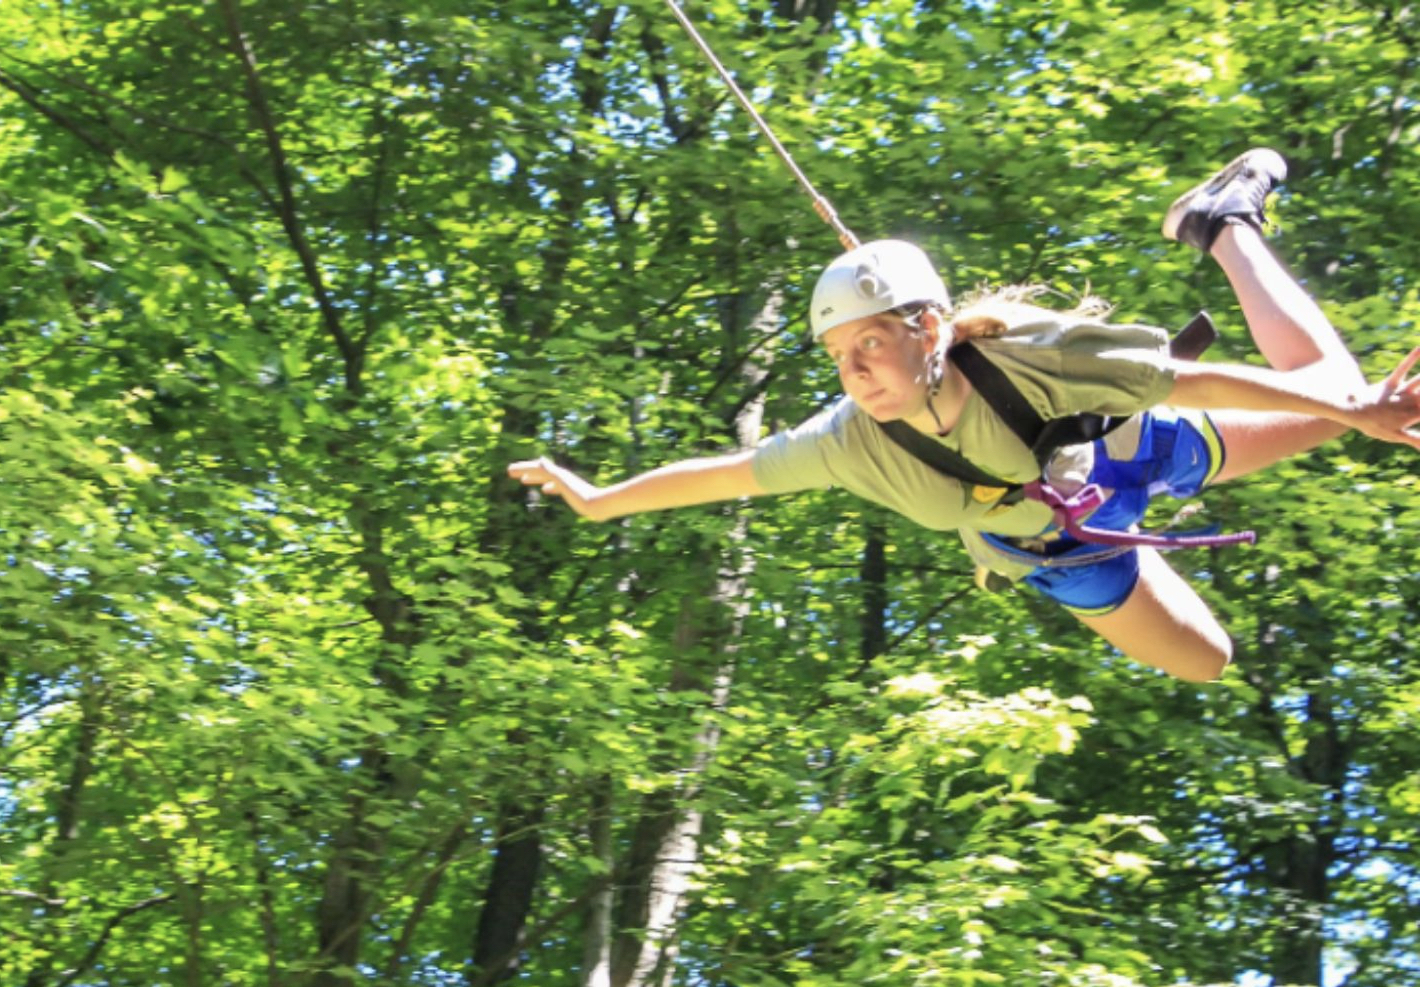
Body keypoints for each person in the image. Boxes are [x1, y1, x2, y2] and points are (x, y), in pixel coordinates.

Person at [507, 149, 1420, 682]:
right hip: (1064, 550)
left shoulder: (1029, 352)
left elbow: (1198, 381)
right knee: (1209, 660)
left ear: (928, 328)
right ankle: (1264, 286)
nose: (855, 370)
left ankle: (1223, 224)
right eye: (837, 357)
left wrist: (1355, 410)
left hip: (1131, 451)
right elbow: (725, 476)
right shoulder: (851, 443)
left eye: (869, 344)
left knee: (1337, 387)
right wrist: (598, 499)